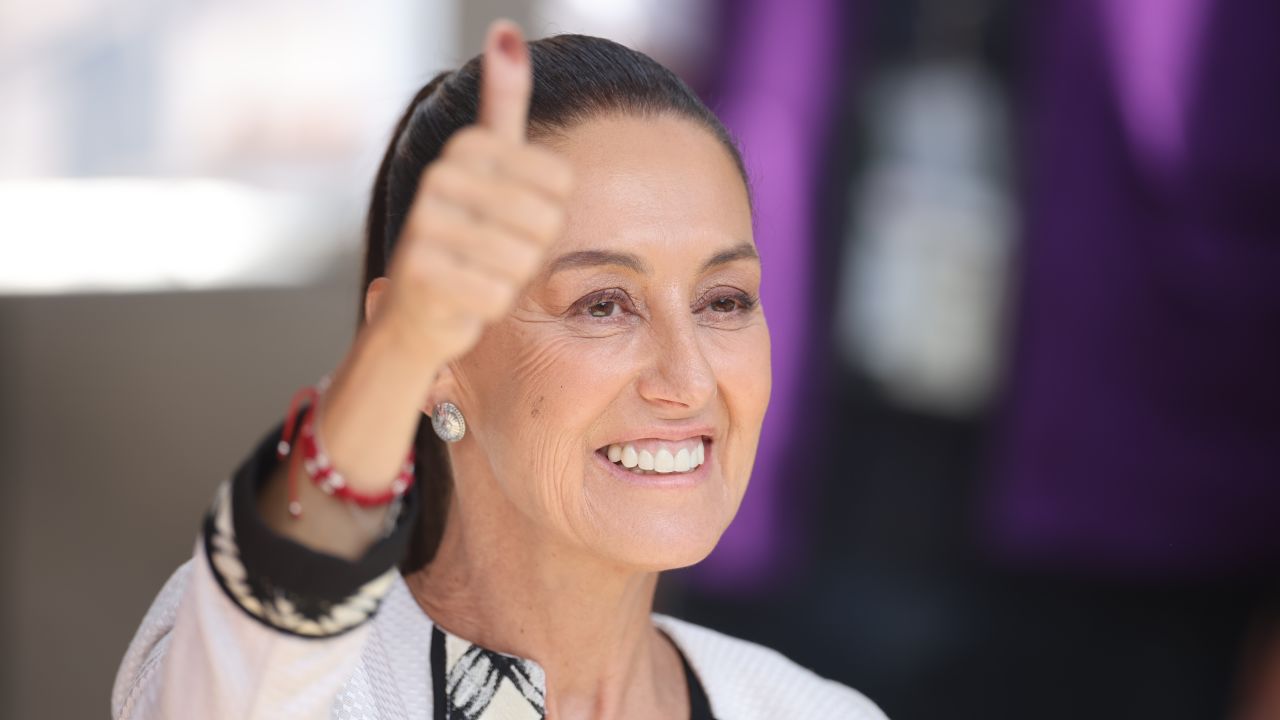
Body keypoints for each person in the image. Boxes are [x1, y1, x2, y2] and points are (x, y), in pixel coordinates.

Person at [112, 20, 886, 720]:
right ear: (437, 359)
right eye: (603, 304)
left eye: (724, 301)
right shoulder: (301, 687)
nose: (687, 380)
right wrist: (396, 356)